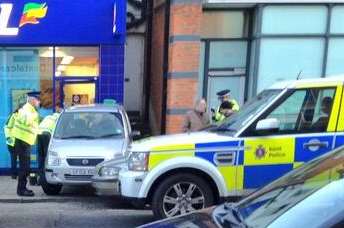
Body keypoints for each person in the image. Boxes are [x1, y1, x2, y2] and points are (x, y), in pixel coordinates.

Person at [12, 91, 41, 197]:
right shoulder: (26, 110)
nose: (39, 102)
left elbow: (33, 127)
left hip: (25, 141)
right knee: (24, 167)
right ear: (32, 100)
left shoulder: (31, 110)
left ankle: (23, 188)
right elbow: (26, 121)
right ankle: (21, 190)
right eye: (38, 100)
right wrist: (34, 116)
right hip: (22, 141)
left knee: (26, 167)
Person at [37, 112, 60, 183]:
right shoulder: (58, 118)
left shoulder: (48, 117)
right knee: (47, 156)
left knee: (41, 157)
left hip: (39, 133)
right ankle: (44, 179)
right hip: (46, 134)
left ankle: (40, 178)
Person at [3, 107, 22, 179]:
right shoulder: (14, 116)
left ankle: (17, 174)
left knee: (19, 158)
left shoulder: (20, 117)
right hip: (13, 142)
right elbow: (6, 127)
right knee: (15, 158)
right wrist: (8, 137)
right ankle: (14, 174)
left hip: (17, 141)